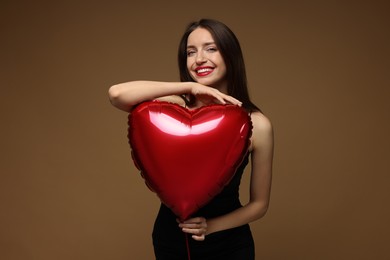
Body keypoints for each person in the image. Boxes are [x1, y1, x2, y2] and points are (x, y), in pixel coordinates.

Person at [108, 19, 274, 260]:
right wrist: (189, 87)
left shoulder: (257, 123)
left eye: (211, 48)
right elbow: (117, 94)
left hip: (228, 244)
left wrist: (211, 226)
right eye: (190, 52)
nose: (199, 59)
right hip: (170, 240)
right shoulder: (172, 106)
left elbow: (259, 205)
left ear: (230, 54)